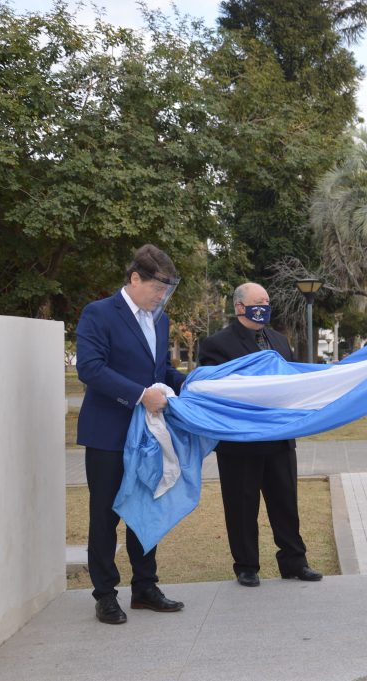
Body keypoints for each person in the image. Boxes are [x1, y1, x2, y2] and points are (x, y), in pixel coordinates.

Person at [75, 244, 187, 624]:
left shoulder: (161, 320)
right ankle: (105, 594)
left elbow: (160, 370)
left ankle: (145, 588)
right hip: (108, 433)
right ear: (134, 278)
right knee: (104, 516)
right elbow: (89, 368)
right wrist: (140, 395)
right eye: (158, 288)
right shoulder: (99, 314)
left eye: (167, 290)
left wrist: (190, 384)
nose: (162, 296)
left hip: (148, 436)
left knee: (145, 508)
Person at [197, 282, 322, 587]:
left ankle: (294, 562)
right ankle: (246, 566)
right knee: (241, 506)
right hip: (240, 443)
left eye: (266, 301)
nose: (263, 306)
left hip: (279, 439)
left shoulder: (279, 340)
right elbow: (215, 391)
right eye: (257, 301)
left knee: (286, 504)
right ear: (239, 306)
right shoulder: (216, 344)